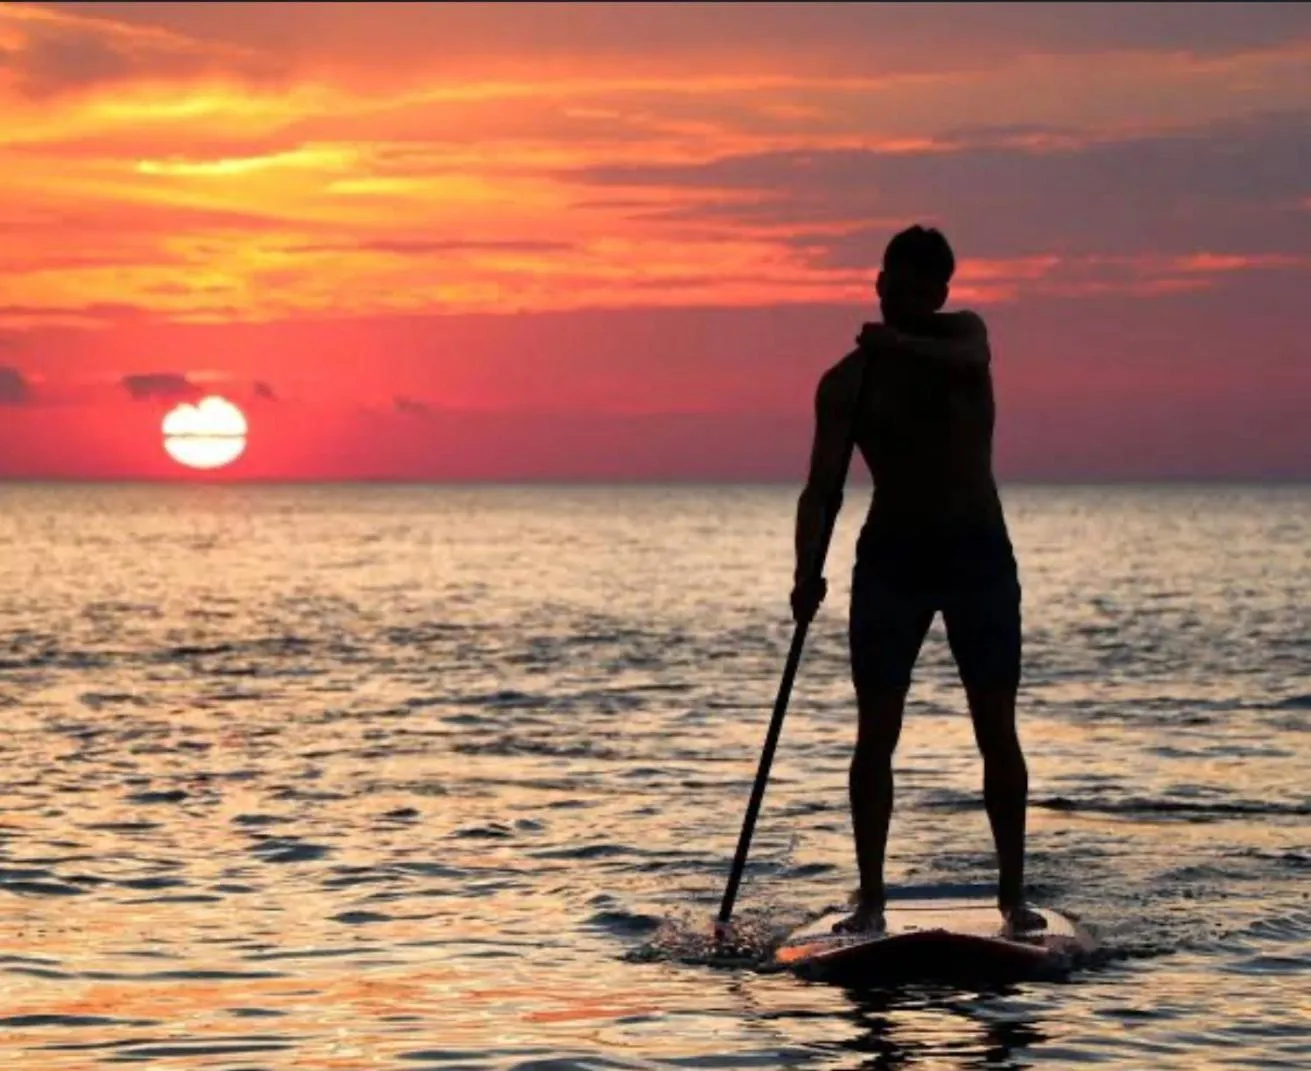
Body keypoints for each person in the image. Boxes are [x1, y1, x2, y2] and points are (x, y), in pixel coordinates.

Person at [790, 225, 1044, 935]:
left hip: (976, 554)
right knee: (875, 730)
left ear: (938, 293)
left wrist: (893, 343)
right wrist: (805, 571)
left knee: (995, 726)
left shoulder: (964, 338)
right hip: (892, 558)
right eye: (886, 286)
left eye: (910, 291)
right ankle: (870, 898)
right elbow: (821, 489)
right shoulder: (847, 383)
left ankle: (1011, 899)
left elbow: (968, 355)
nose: (893, 300)